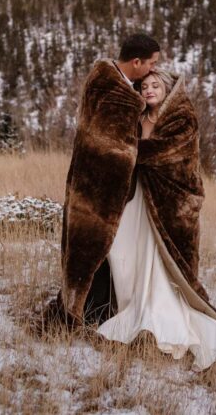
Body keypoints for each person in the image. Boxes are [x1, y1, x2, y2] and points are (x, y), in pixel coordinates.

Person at [97, 67, 216, 381]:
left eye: (155, 85)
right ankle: (132, 306)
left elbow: (163, 156)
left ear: (167, 89)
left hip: (167, 206)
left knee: (159, 266)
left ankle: (160, 319)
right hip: (139, 199)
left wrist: (130, 152)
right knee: (124, 254)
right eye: (144, 86)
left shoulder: (181, 119)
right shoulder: (140, 120)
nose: (149, 90)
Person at [44, 33, 160, 327]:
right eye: (152, 63)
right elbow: (114, 149)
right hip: (99, 186)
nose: (153, 69)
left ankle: (95, 308)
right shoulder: (114, 94)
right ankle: (85, 312)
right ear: (136, 62)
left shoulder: (109, 80)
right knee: (92, 247)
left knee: (95, 248)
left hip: (89, 181)